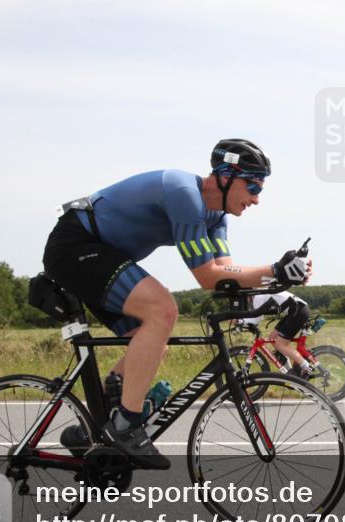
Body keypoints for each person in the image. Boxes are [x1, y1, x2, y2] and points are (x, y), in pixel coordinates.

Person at [41, 139, 312, 469]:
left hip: (100, 257)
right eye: (253, 186)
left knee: (151, 341)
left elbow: (227, 275)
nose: (256, 198)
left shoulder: (216, 216)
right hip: (75, 246)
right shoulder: (183, 193)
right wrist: (272, 270)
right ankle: (125, 424)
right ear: (225, 177)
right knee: (163, 309)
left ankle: (92, 432)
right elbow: (207, 276)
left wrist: (280, 284)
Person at [237, 291, 312, 377]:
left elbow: (256, 319)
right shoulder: (260, 293)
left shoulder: (258, 297)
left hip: (298, 311)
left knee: (281, 344)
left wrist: (237, 321)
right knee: (273, 337)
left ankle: (307, 367)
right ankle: (289, 371)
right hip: (296, 310)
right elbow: (257, 317)